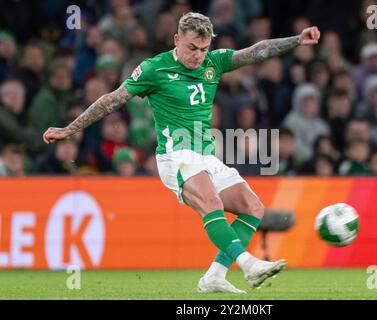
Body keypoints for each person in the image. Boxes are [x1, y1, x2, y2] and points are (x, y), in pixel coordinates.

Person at [43, 12, 321, 293]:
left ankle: (215, 276)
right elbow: (111, 100)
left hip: (207, 157)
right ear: (177, 40)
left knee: (253, 208)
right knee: (210, 201)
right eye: (192, 48)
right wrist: (70, 129)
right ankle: (250, 266)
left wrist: (297, 40)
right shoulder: (154, 69)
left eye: (203, 49)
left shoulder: (214, 63)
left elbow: (257, 51)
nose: (198, 56)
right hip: (175, 157)